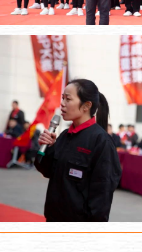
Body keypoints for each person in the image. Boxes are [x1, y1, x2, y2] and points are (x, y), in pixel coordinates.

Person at [35, 78, 122, 222]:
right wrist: (48, 147)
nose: (62, 103)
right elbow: (48, 171)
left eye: (68, 99)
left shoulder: (101, 142)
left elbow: (102, 193)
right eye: (62, 98)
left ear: (86, 106)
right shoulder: (64, 136)